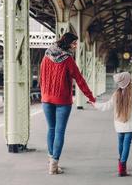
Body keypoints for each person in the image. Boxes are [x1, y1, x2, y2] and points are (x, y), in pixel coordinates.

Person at [40, 32, 95, 175]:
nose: (76, 46)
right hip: (63, 101)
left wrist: (44, 94)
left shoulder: (46, 55)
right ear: (68, 43)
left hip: (46, 100)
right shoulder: (68, 59)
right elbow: (79, 79)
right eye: (74, 43)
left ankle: (51, 160)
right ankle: (54, 164)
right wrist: (90, 97)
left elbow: (42, 77)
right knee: (59, 131)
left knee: (51, 129)